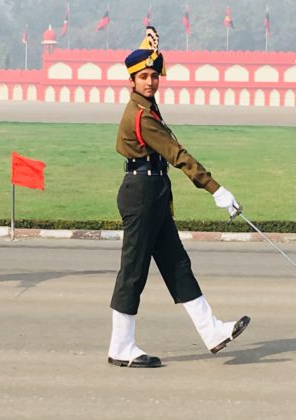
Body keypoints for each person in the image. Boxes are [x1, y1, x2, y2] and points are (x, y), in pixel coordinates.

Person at [108, 27, 250, 368]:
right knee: (133, 272)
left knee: (177, 265)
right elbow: (177, 154)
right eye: (143, 76)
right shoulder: (142, 116)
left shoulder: (148, 106)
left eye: (154, 76)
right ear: (131, 80)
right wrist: (216, 189)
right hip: (141, 194)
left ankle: (212, 331)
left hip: (153, 193)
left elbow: (167, 154)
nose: (150, 82)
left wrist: (150, 47)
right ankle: (120, 346)